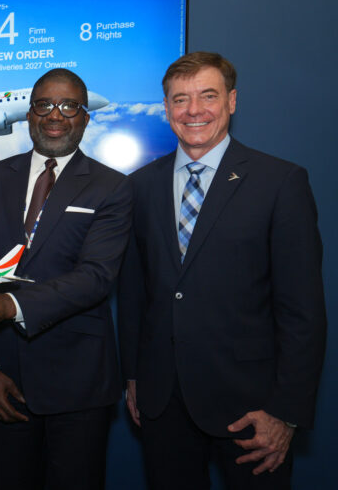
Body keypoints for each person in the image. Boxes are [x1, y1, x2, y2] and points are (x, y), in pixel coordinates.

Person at [117, 51, 326, 489]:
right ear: (166, 108)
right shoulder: (140, 186)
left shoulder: (280, 182)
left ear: (232, 101)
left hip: (252, 408)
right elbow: (136, 293)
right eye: (180, 99)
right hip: (162, 402)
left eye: (207, 96)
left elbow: (302, 309)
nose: (194, 111)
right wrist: (134, 377)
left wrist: (286, 410)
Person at [0, 68, 133, 490]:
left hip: (79, 387)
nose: (56, 115)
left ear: (85, 117)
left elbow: (96, 277)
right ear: (30, 114)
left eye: (69, 105)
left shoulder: (113, 187)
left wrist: (12, 306)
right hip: (4, 380)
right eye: (44, 105)